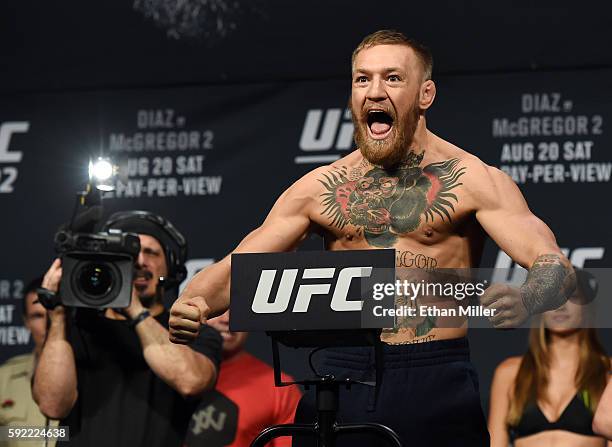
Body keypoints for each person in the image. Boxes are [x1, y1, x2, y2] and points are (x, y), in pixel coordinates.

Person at [168, 30, 575, 446]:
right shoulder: (318, 188)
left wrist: (528, 298)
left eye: (393, 78)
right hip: (340, 371)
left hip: (433, 373)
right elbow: (232, 274)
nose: (374, 92)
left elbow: (555, 266)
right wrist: (193, 304)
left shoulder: (474, 181)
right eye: (363, 79)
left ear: (425, 94)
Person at [32, 211, 222, 447]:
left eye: (151, 252)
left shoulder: (190, 330)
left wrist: (132, 308)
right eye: (129, 254)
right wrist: (59, 314)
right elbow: (53, 405)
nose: (140, 261)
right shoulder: (77, 327)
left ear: (170, 267)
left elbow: (191, 381)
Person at [489, 271, 610, 446]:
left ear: (586, 306)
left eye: (571, 296)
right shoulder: (509, 372)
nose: (560, 306)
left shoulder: (607, 371)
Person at [183, 310, 302, 447]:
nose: (226, 319)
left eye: (236, 310)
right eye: (218, 310)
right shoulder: (162, 373)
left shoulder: (280, 389)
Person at [0, 277, 57, 447]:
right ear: (26, 323)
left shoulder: (89, 377)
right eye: (37, 316)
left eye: (52, 313)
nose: (47, 324)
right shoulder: (4, 379)